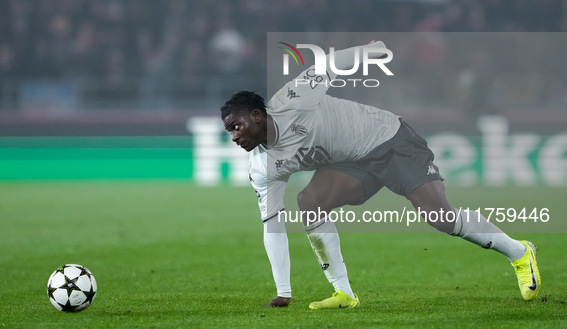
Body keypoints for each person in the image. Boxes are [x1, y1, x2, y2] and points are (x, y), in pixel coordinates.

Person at [220, 41, 541, 309]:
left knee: (441, 218)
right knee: (311, 200)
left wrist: (370, 51)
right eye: (228, 131)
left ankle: (520, 252)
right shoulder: (262, 167)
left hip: (388, 139)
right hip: (353, 162)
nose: (234, 137)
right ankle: (343, 292)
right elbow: (272, 226)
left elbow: (329, 64)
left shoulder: (293, 100)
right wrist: (283, 290)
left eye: (236, 126)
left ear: (257, 116)